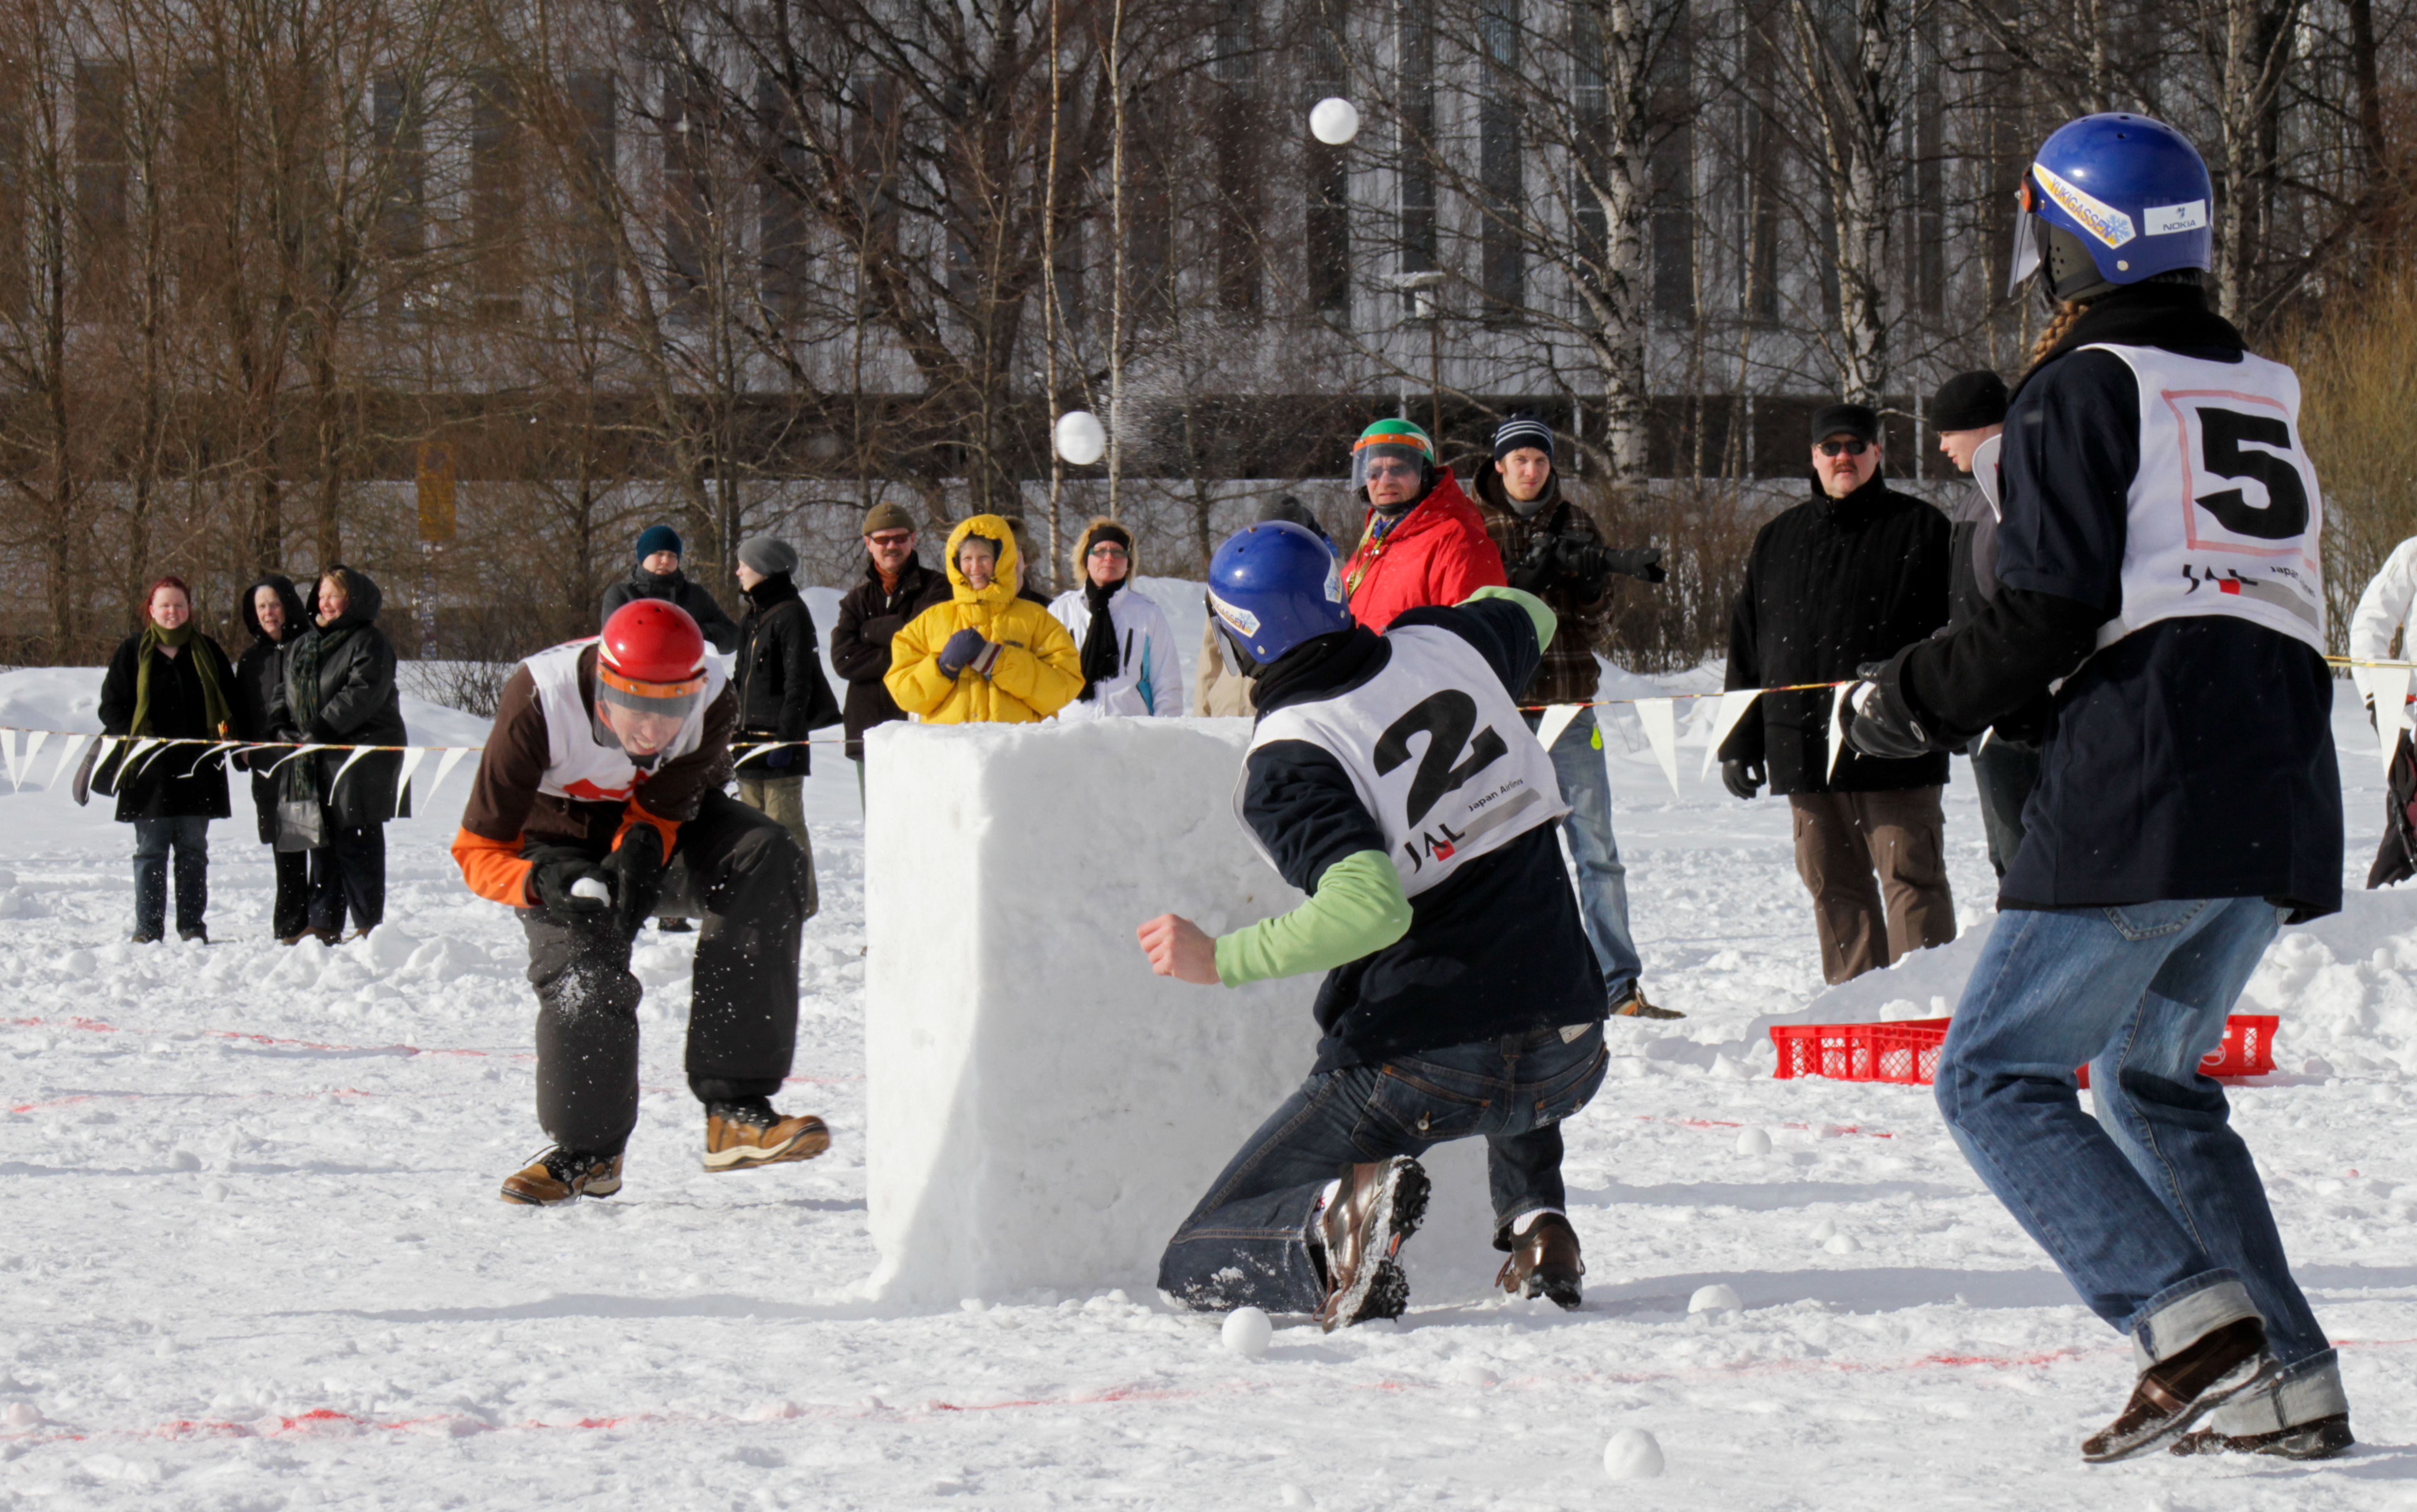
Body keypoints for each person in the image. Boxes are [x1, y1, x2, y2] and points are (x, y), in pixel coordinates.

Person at [1842, 113, 2347, 1462]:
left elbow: (2049, 607)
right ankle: (2287, 1375)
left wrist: (1909, 695)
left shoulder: (2081, 386)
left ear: (2071, 238)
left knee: (1992, 1077)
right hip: (2282, 785)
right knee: (2152, 1080)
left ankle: (2195, 1328)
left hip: (2152, 773)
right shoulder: (2258, 385)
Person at [1140, 522, 1608, 1326]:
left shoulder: (1290, 753)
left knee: (1194, 1259)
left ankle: (1330, 1235)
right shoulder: (1444, 641)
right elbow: (1529, 613)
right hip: (1570, 1046)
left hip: (1423, 1067)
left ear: (1241, 636)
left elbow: (1368, 909)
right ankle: (1538, 1221)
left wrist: (1217, 958)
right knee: (1508, 960)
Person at [452, 599, 827, 1205]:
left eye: (672, 711)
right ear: (604, 689)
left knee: (765, 852)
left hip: (660, 826)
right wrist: (538, 882)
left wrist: (642, 845)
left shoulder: (715, 699)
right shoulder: (537, 700)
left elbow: (662, 805)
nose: (655, 731)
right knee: (585, 977)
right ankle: (590, 1151)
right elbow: (477, 849)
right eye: (639, 710)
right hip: (554, 847)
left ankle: (735, 1106)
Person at [1717, 402, 1955, 985]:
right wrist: (1738, 739)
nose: (1843, 457)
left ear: (1877, 453)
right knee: (1832, 887)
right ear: (1814, 458)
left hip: (1896, 739)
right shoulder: (1777, 538)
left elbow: (1954, 636)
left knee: (1911, 879)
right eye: (1831, 448)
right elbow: (1748, 643)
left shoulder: (1923, 529)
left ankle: (1928, 1010)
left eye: (1855, 446)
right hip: (1799, 741)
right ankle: (1854, 1009)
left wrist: (1942, 711)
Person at [1472, 411, 1677, 1019]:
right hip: (1498, 711)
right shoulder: (1473, 526)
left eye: (1539, 459)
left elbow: (1598, 625)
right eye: (1519, 460)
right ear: (1499, 466)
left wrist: (1588, 587)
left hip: (1568, 705)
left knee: (1596, 849)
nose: (1530, 470)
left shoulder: (1576, 520)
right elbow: (1464, 618)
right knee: (1499, 853)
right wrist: (1522, 582)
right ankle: (1513, 987)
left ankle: (1619, 985)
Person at [1932, 370, 2041, 880]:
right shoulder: (1975, 495)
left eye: (1946, 433)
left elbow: (2024, 609)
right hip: (1989, 704)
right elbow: (1970, 609)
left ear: (1978, 428)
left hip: (2025, 710)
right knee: (2007, 857)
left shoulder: (2024, 484)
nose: (1939, 447)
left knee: (2032, 861)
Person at [94, 577, 235, 944]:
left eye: (180, 605)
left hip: (199, 769)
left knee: (193, 851)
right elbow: (111, 707)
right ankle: (148, 928)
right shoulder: (131, 652)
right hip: (147, 771)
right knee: (151, 851)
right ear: (151, 610)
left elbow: (231, 704)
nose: (173, 612)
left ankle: (192, 927)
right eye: (165, 606)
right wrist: (141, 739)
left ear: (189, 610)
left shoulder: (209, 651)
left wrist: (227, 734)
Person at [272, 567, 408, 945]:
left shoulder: (370, 642)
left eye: (333, 595)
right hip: (312, 755)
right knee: (322, 840)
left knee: (357, 840)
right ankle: (324, 922)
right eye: (321, 595)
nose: (324, 603)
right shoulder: (303, 644)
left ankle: (368, 925)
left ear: (353, 600)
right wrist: (280, 726)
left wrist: (322, 729)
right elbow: (283, 693)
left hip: (357, 757)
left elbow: (363, 692)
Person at [884, 515, 1085, 725]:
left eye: (984, 558)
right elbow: (906, 695)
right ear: (956, 563)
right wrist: (943, 668)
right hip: (952, 750)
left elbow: (1061, 690)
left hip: (1014, 749)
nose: (975, 567)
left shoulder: (1038, 619)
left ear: (1001, 560)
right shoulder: (928, 622)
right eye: (967, 559)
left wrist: (997, 659)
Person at [731, 534, 837, 911]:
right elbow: (738, 678)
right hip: (748, 741)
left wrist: (788, 739)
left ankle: (799, 901)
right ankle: (760, 897)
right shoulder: (753, 615)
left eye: (744, 564)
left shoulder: (791, 613)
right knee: (752, 828)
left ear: (763, 569)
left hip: (781, 742)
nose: (738, 570)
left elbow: (800, 682)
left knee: (785, 824)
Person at [1337, 418, 1507, 632]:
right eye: (1374, 472)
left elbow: (1475, 644)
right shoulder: (1369, 548)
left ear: (1424, 474)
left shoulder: (1458, 542)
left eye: (1398, 469)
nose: (1385, 480)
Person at [831, 502, 951, 798]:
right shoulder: (855, 600)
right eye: (883, 539)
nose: (892, 546)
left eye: (900, 537)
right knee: (875, 825)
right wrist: (906, 647)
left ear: (914, 538)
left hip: (922, 727)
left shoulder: (938, 588)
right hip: (867, 731)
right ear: (868, 543)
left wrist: (870, 632)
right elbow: (844, 661)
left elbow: (930, 644)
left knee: (923, 820)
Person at [1196, 497, 1332, 717]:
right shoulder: (1232, 581)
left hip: (1281, 710)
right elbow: (1211, 653)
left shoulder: (1322, 580)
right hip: (1225, 711)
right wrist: (1202, 715)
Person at [232, 576, 311, 941]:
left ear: (289, 606)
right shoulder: (251, 659)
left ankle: (321, 918)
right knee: (283, 848)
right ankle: (290, 923)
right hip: (267, 766)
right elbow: (242, 710)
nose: (269, 613)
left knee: (312, 841)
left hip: (306, 762)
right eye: (261, 606)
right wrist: (242, 749)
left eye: (275, 604)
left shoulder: (310, 645)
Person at [1048, 518, 1183, 718]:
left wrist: (1162, 738)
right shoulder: (1061, 611)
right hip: (1071, 736)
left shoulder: (1147, 614)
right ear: (1086, 559)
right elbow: (1044, 682)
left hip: (1131, 735)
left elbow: (1167, 685)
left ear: (1129, 563)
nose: (1109, 558)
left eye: (1118, 552)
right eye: (1100, 551)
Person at [2347, 534, 2417, 886]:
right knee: (2406, 838)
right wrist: (2379, 696)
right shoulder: (2413, 554)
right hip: (2412, 727)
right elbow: (2370, 625)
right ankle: (2380, 925)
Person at [600, 523, 741, 654]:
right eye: (659, 554)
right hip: (632, 673)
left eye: (672, 556)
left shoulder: (695, 595)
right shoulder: (622, 594)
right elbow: (612, 638)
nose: (666, 561)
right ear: (644, 557)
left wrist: (697, 634)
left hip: (686, 674)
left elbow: (733, 636)